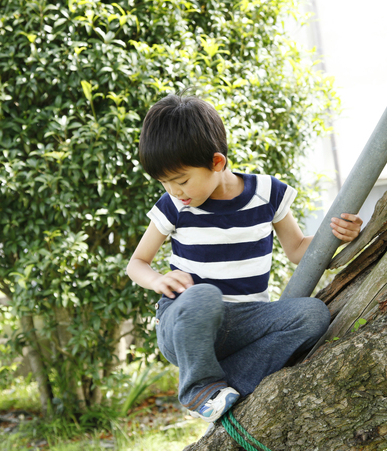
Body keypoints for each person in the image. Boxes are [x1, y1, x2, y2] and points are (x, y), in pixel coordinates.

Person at [126, 92, 362, 423]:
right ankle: (198, 388)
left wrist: (336, 236)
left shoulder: (267, 193)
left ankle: (231, 385)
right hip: (185, 322)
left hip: (243, 321)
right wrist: (158, 280)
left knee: (313, 314)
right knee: (204, 295)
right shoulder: (174, 207)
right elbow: (136, 263)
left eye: (180, 180)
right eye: (165, 183)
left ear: (217, 162)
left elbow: (297, 250)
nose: (174, 191)